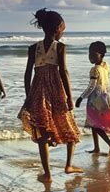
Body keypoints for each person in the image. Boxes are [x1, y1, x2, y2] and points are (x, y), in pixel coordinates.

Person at [20, 9, 82, 182]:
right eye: (63, 29)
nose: (63, 32)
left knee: (42, 132)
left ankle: (47, 174)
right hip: (56, 90)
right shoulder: (60, 47)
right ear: (57, 29)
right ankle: (69, 165)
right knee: (69, 125)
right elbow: (64, 72)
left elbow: (27, 74)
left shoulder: (33, 48)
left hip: (38, 91)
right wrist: (70, 97)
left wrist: (28, 96)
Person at [75, 41, 110, 155]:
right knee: (93, 123)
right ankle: (96, 148)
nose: (90, 56)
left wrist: (81, 98)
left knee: (95, 125)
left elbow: (91, 87)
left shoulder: (94, 69)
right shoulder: (106, 66)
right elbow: (108, 80)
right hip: (106, 96)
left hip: (95, 99)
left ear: (101, 54)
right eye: (89, 54)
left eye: (93, 54)